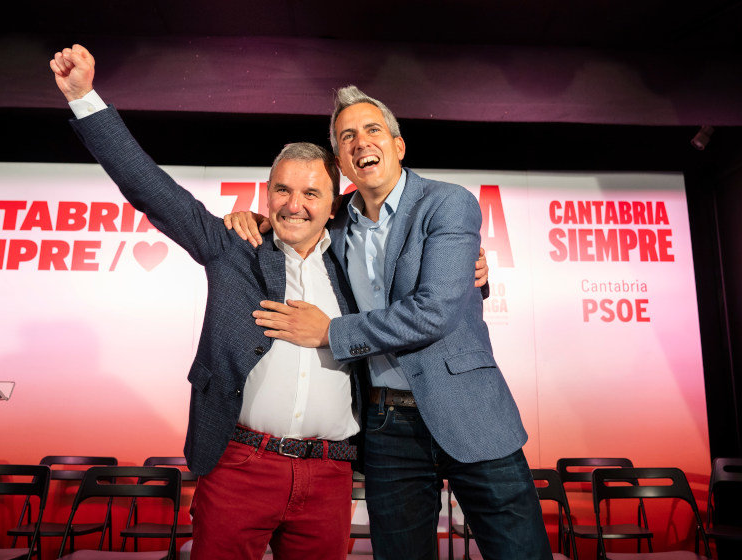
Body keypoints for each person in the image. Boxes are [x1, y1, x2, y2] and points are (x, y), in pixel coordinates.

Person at [50, 45, 488, 559]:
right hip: (239, 466)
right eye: (282, 190)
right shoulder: (234, 249)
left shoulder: (356, 267)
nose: (294, 204)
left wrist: (476, 274)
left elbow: (424, 296)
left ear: (334, 203)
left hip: (330, 475)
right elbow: (149, 186)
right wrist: (84, 98)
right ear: (266, 193)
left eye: (311, 193)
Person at [228, 87, 551, 559]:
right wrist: (254, 219)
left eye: (372, 130)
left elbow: (435, 310)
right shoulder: (334, 225)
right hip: (386, 423)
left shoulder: (447, 203)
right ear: (339, 161)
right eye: (347, 137)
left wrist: (331, 333)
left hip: (470, 408)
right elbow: (294, 216)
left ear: (398, 146)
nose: (361, 143)